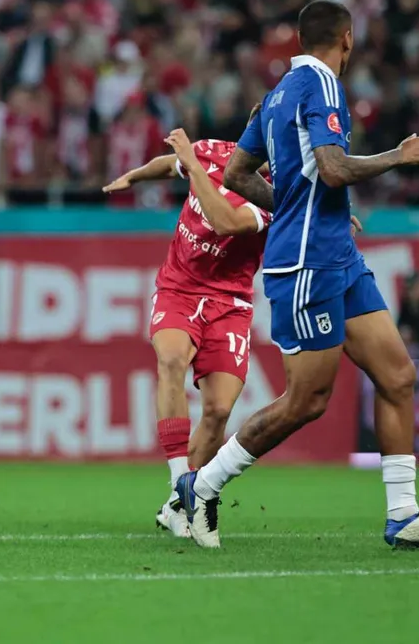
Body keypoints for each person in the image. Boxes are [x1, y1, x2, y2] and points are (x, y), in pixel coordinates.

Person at [174, 0, 419, 550]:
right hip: (307, 262)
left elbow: (237, 173)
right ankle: (202, 484)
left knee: (398, 376)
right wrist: (397, 156)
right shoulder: (323, 86)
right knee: (306, 401)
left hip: (337, 256)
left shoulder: (276, 95)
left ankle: (404, 515)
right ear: (347, 38)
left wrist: (292, 203)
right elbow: (333, 170)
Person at [101, 121, 271, 538]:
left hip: (230, 302)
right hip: (178, 288)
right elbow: (169, 164)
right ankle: (180, 481)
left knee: (218, 410)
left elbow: (225, 221)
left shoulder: (275, 192)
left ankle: (178, 504)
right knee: (172, 358)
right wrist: (136, 175)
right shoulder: (213, 151)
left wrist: (193, 165)